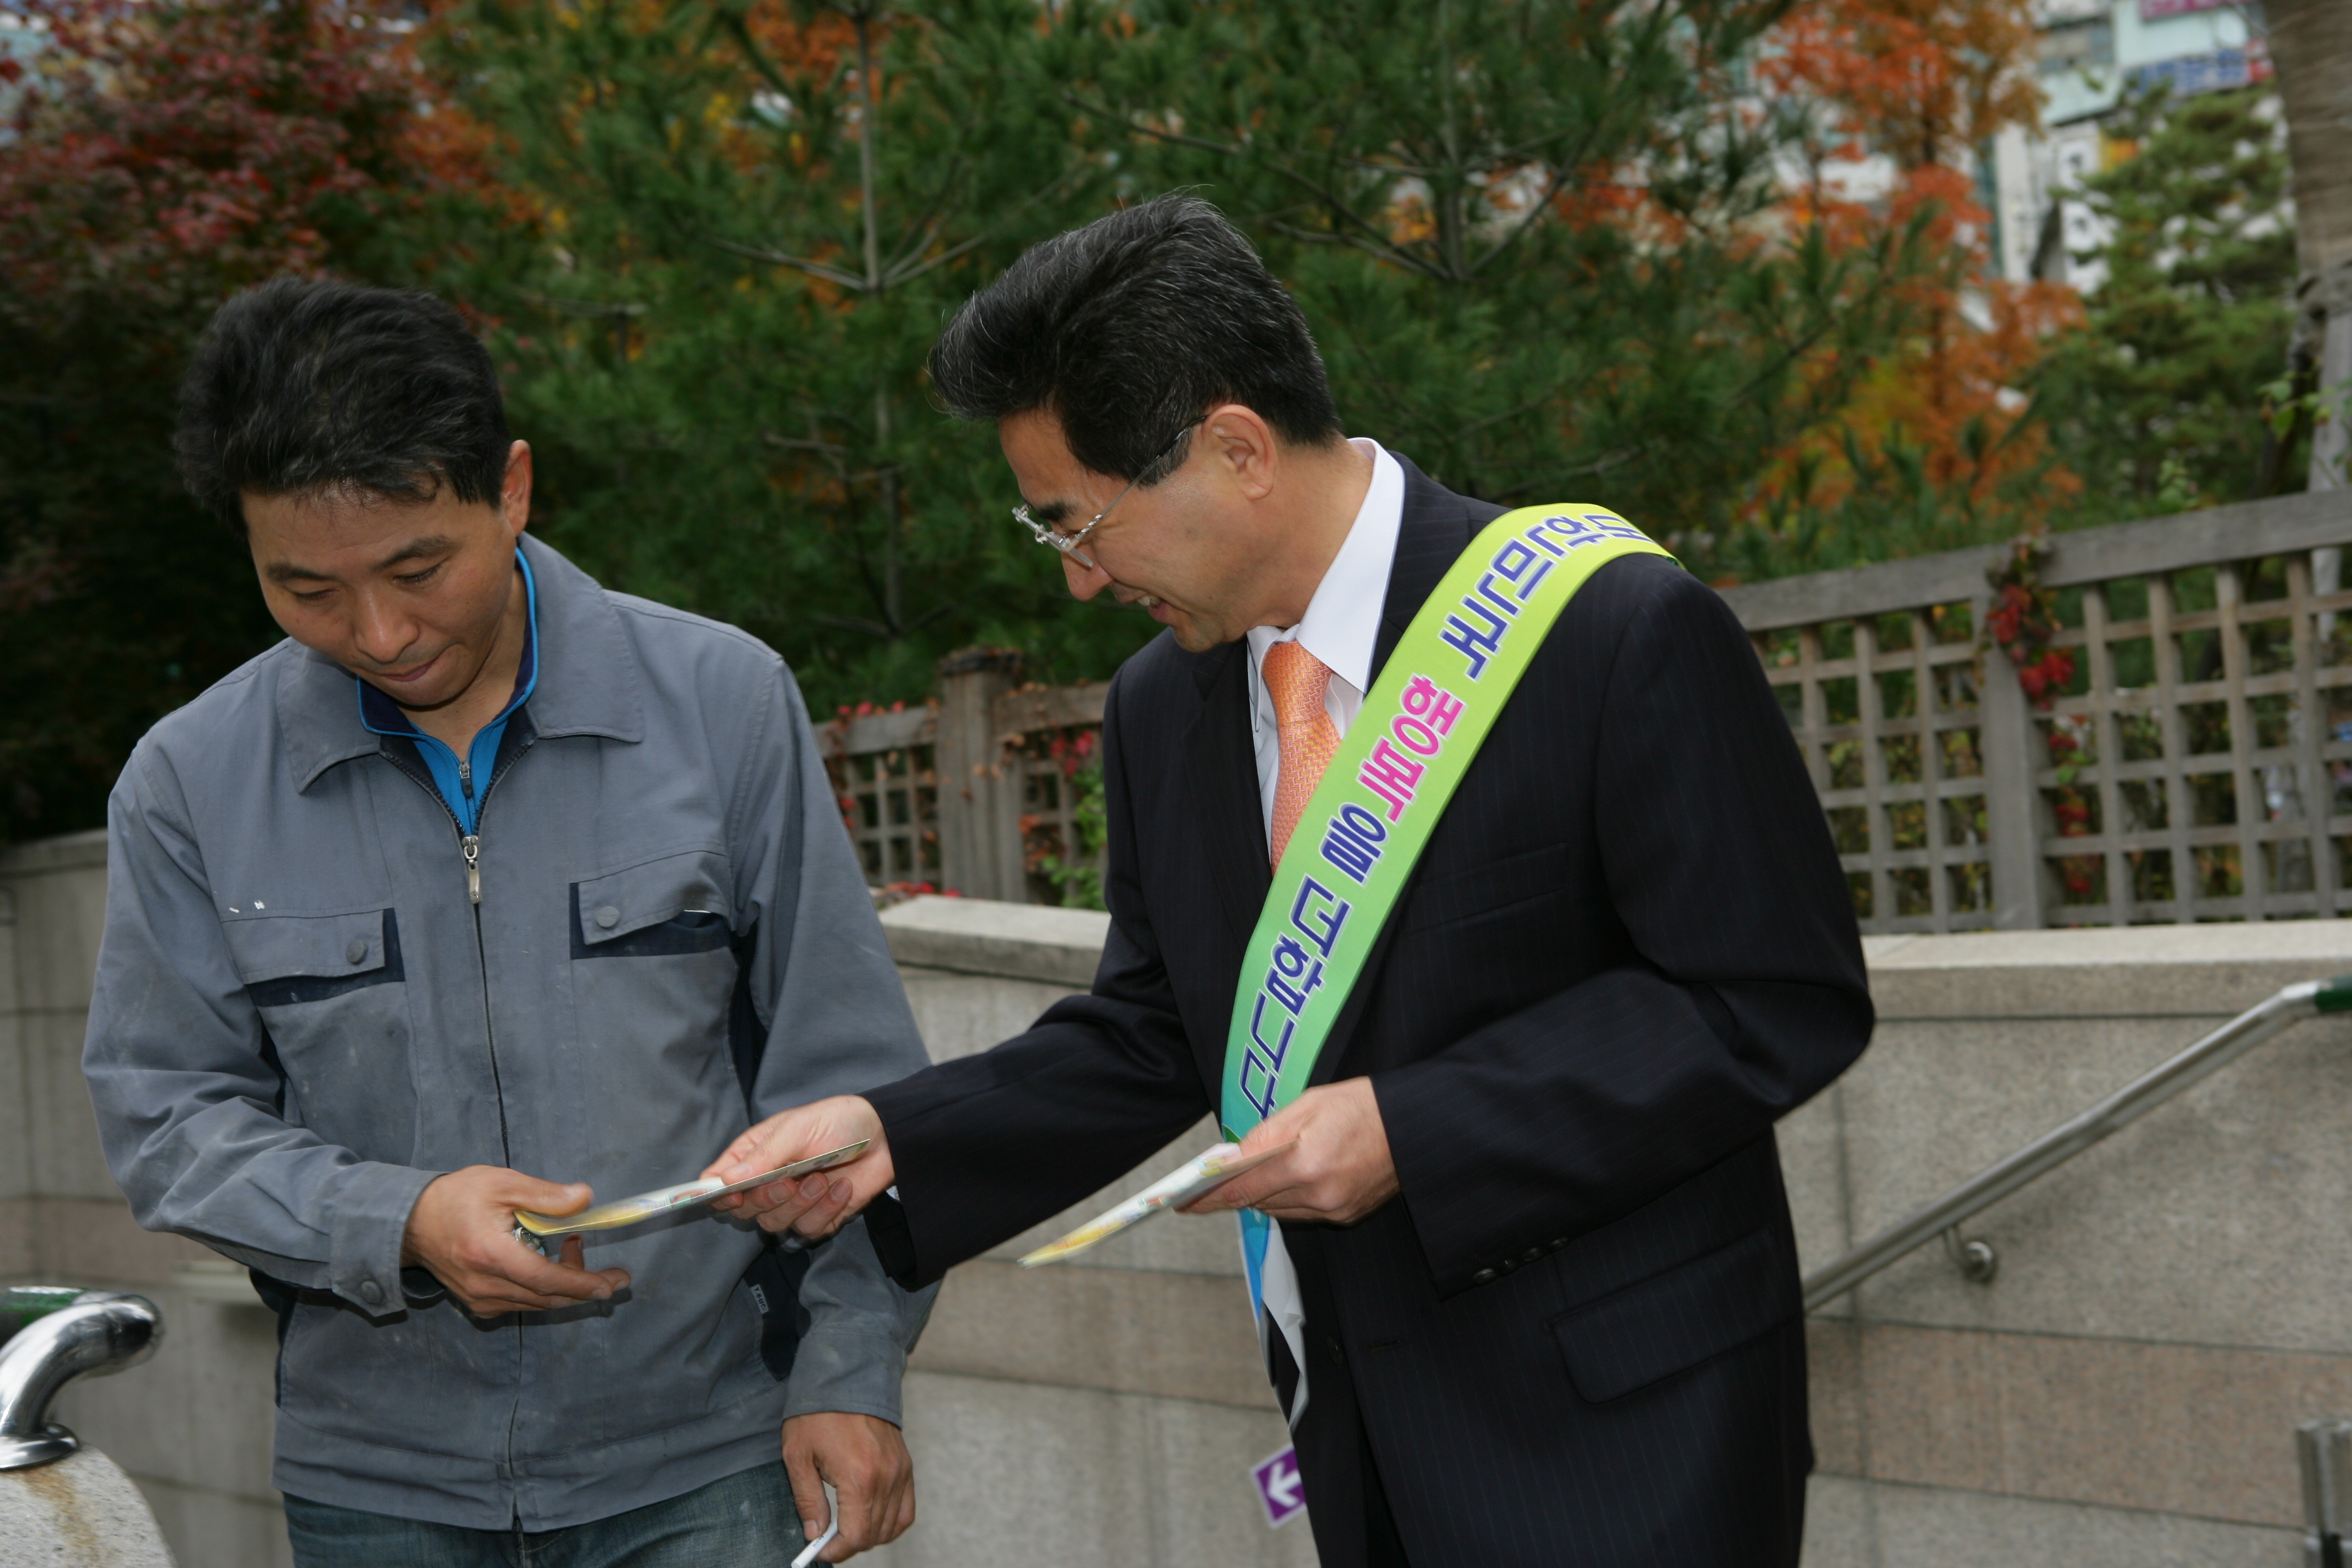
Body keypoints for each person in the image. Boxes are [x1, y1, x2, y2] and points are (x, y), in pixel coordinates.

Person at [708, 195, 1874, 1567]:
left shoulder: (1608, 628)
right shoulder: (1162, 707)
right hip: (1362, 1437)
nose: (1078, 583)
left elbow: (1769, 999)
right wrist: (895, 1135)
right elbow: (1158, 1026)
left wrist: (1417, 1129)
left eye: (1076, 524)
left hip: (1632, 1439)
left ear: (1235, 449)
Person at [82, 278, 933, 1567]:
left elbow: (853, 1083)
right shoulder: (190, 783)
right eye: (307, 589)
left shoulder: (723, 703)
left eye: (419, 567)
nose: (379, 632)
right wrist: (403, 1223)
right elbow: (168, 1119)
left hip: (710, 1462)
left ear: (512, 488)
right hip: (378, 1490)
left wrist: (852, 1369)